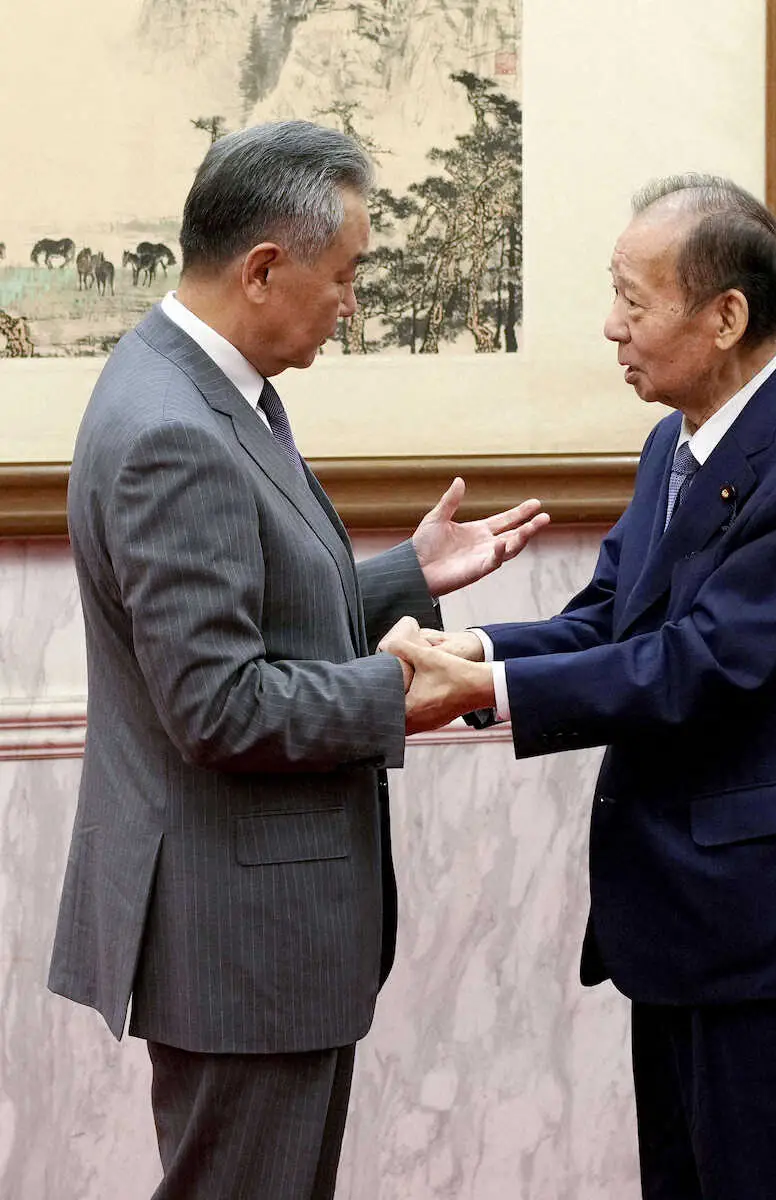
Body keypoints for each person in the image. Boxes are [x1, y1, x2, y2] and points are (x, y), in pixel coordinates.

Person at [47, 120, 548, 1200]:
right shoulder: (173, 429)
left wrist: (400, 578)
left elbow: (235, 613)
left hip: (247, 936)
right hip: (240, 944)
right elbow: (220, 704)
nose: (353, 304)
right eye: (346, 276)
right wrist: (399, 693)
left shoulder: (195, 386)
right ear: (265, 268)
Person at [383, 174, 776, 1200]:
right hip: (682, 924)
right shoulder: (678, 442)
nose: (609, 326)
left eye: (631, 298)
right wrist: (472, 657)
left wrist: (482, 690)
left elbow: (697, 664)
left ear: (724, 317)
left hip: (772, 935)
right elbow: (608, 620)